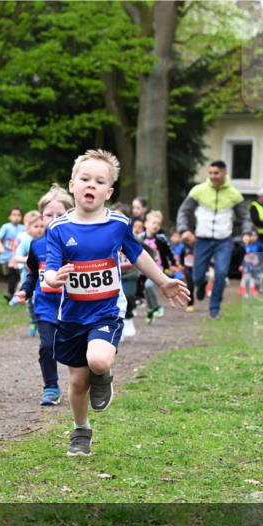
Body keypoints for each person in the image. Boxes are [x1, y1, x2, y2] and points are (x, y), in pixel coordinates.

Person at [44, 149, 190, 457]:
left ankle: (103, 373)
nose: (91, 185)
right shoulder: (58, 229)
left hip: (106, 311)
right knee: (77, 382)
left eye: (100, 182)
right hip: (72, 315)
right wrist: (53, 279)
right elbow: (51, 268)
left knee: (98, 360)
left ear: (108, 192)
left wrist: (163, 281)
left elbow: (138, 255)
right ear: (72, 185)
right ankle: (81, 430)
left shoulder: (118, 224)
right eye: (85, 179)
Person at [14, 185, 72, 406]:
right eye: (49, 215)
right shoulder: (37, 246)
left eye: (61, 214)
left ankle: (87, 381)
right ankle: (51, 387)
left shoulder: (78, 244)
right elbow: (32, 273)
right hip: (46, 304)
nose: (54, 219)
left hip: (74, 306)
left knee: (78, 347)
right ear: (41, 217)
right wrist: (25, 290)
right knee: (47, 346)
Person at [176, 160, 252, 320]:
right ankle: (202, 284)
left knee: (221, 273)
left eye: (216, 173)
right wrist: (184, 230)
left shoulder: (234, 194)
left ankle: (214, 309)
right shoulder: (198, 191)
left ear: (224, 173)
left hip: (224, 240)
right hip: (202, 240)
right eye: (210, 173)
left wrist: (246, 232)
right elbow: (183, 211)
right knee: (196, 277)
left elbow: (245, 216)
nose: (212, 176)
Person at [10, 210, 43, 335]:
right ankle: (33, 321)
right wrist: (31, 260)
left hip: (45, 279)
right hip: (28, 278)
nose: (39, 229)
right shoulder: (26, 241)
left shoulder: (48, 240)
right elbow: (16, 257)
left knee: (40, 300)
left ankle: (43, 323)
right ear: (28, 228)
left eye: (41, 226)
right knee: (30, 303)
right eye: (36, 226)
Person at [141, 211, 176, 323]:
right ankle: (151, 309)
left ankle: (157, 306)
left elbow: (169, 252)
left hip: (157, 268)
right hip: (142, 269)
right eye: (154, 223)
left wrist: (173, 263)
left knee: (149, 286)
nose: (156, 226)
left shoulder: (161, 239)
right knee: (145, 290)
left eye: (158, 224)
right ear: (146, 224)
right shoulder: (140, 238)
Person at [0, 207, 25, 300]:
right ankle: (12, 293)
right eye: (14, 215)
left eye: (19, 215)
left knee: (14, 275)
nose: (16, 217)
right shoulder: (6, 227)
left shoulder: (23, 228)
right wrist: (0, 247)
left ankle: (11, 294)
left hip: (17, 258)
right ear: (9, 217)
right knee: (8, 275)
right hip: (6, 256)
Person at [178, 230, 197, 311]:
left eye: (189, 238)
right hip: (188, 269)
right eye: (186, 240)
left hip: (198, 268)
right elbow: (181, 257)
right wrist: (182, 266)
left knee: (200, 281)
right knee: (190, 286)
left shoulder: (199, 246)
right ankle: (190, 304)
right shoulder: (184, 248)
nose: (189, 241)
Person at [240, 232, 263, 298]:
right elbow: (243, 256)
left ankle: (256, 290)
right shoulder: (245, 246)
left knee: (259, 279)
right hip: (247, 266)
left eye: (255, 236)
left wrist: (260, 262)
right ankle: (247, 293)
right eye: (251, 236)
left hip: (257, 266)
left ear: (257, 237)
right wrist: (242, 265)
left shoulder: (259, 245)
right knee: (247, 278)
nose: (253, 237)